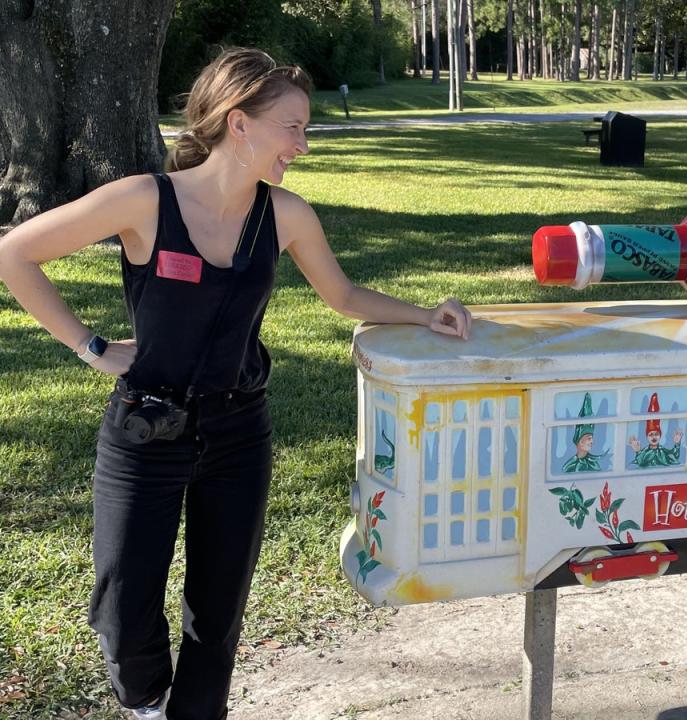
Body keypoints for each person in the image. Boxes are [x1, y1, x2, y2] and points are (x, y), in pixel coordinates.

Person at [0, 47, 471, 720]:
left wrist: (427, 314)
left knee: (216, 616)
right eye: (293, 126)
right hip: (145, 430)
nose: (302, 144)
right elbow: (14, 253)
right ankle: (148, 703)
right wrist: (91, 345)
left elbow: (340, 294)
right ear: (238, 121)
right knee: (123, 601)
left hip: (237, 434)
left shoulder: (286, 215)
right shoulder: (143, 200)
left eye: (305, 129)